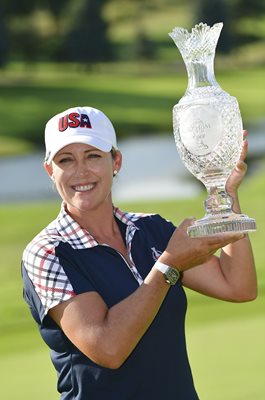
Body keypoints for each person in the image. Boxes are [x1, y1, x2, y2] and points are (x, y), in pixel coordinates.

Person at [22, 106, 257, 400]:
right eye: (65, 160)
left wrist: (224, 193)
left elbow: (238, 286)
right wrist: (168, 265)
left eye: (93, 156)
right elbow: (108, 348)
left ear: (115, 161)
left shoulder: (151, 230)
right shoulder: (48, 253)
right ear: (50, 171)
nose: (80, 172)